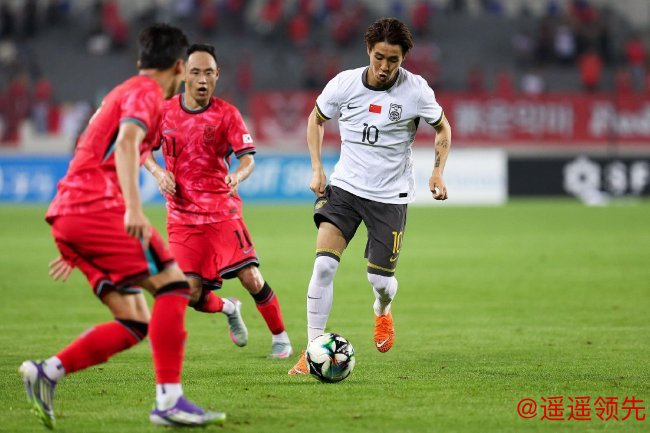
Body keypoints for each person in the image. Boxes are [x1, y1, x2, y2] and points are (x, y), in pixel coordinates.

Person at [19, 24, 225, 428]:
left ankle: (47, 372)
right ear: (179, 67)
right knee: (174, 286)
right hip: (98, 209)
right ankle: (169, 402)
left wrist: (76, 236)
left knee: (135, 321)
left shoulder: (124, 91)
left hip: (71, 216)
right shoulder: (146, 93)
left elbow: (95, 150)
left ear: (140, 60)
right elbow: (128, 143)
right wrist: (133, 208)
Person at [288, 17, 452, 374]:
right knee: (324, 265)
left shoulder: (416, 90)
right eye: (379, 57)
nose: (384, 66)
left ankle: (382, 309)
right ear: (368, 51)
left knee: (380, 282)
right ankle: (312, 350)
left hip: (390, 196)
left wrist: (437, 171)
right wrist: (317, 168)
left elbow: (443, 128)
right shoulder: (344, 84)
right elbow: (316, 119)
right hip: (346, 189)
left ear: (404, 58)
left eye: (393, 60)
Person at [144, 43, 293, 359]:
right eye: (196, 72)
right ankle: (228, 308)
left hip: (221, 211)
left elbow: (248, 159)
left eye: (208, 73)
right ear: (183, 73)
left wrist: (237, 175)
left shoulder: (227, 114)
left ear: (217, 75)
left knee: (250, 277)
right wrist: (158, 173)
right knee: (189, 292)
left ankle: (281, 338)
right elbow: (142, 149)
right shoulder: (165, 112)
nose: (202, 79)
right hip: (182, 217)